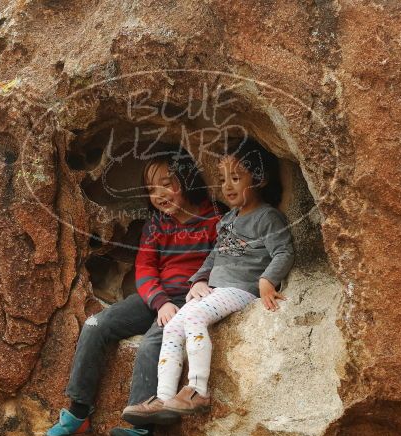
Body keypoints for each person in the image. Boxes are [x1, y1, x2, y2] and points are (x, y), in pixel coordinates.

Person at [42, 147, 221, 436]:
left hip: (191, 298)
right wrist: (160, 301)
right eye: (152, 189)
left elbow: (222, 257)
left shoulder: (213, 218)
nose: (160, 194)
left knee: (157, 339)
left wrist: (201, 284)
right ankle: (78, 412)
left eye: (168, 183)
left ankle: (140, 433)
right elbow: (146, 269)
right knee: (97, 324)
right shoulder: (156, 226)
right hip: (158, 296)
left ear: (188, 179)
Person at [121, 138, 293, 421]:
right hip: (215, 290)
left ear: (259, 179)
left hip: (240, 290)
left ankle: (197, 390)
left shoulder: (268, 217)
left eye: (236, 178)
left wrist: (267, 280)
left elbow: (284, 250)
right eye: (223, 179)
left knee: (192, 317)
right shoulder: (228, 220)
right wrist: (199, 279)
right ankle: (164, 399)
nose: (227, 186)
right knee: (173, 326)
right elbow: (215, 255)